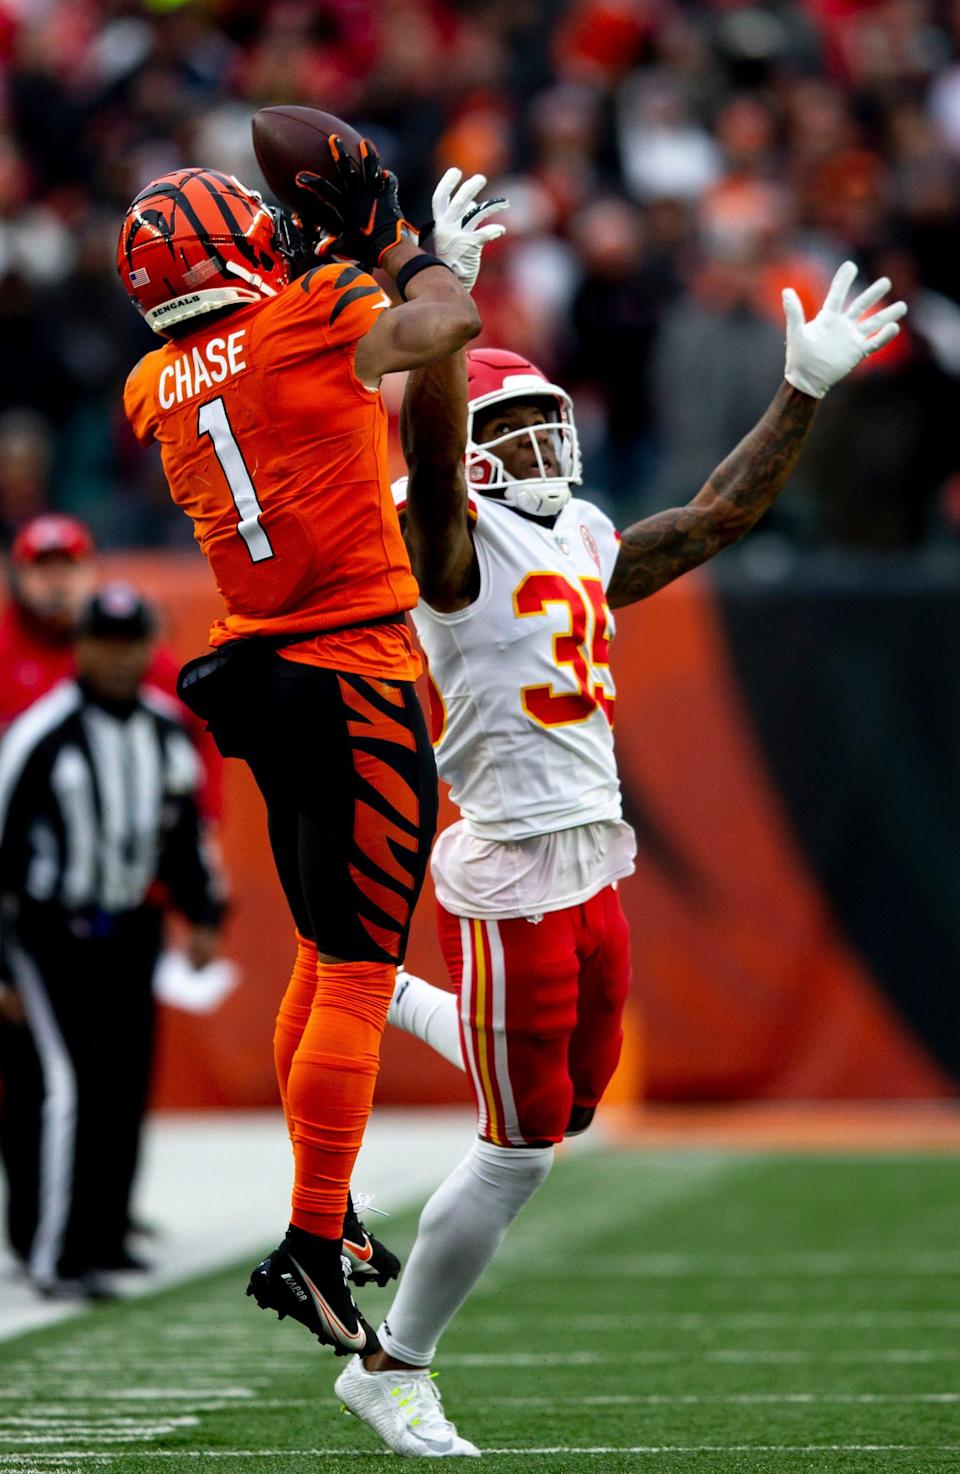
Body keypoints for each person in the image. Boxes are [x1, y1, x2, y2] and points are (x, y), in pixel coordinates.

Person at [331, 260, 907, 1454]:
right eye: (516, 426)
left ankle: (381, 991)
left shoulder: (581, 533)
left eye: (550, 420)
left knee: (571, 1105)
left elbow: (712, 520)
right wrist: (440, 315)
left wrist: (800, 388)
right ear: (469, 446)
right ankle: (392, 1362)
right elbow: (433, 466)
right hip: (508, 868)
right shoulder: (448, 542)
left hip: (595, 863)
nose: (545, 443)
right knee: (517, 1151)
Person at [116, 152, 500, 1355]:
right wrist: (396, 242)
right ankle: (310, 1237)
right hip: (349, 665)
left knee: (320, 953)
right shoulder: (310, 315)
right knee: (354, 966)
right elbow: (452, 326)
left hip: (259, 669)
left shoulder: (150, 381)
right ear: (234, 245)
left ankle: (317, 1220)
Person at [0, 584, 226, 1299]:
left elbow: (182, 834)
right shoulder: (42, 734)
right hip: (46, 934)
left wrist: (205, 914)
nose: (121, 657)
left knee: (120, 1086)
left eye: (133, 642)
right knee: (62, 1086)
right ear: (83, 647)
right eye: (107, 641)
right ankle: (49, 1255)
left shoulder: (165, 729)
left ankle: (101, 1238)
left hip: (130, 930)